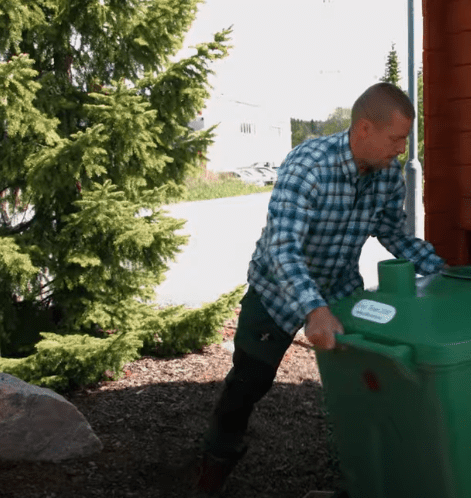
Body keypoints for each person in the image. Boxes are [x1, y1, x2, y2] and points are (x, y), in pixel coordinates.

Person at [192, 82, 448, 495]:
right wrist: (313, 309)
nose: (401, 149)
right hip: (276, 292)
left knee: (357, 390)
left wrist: (442, 273)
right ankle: (213, 469)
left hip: (341, 292)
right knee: (247, 385)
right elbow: (282, 246)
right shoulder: (309, 164)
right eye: (396, 138)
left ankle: (355, 478)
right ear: (364, 129)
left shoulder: (386, 175)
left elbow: (394, 235)